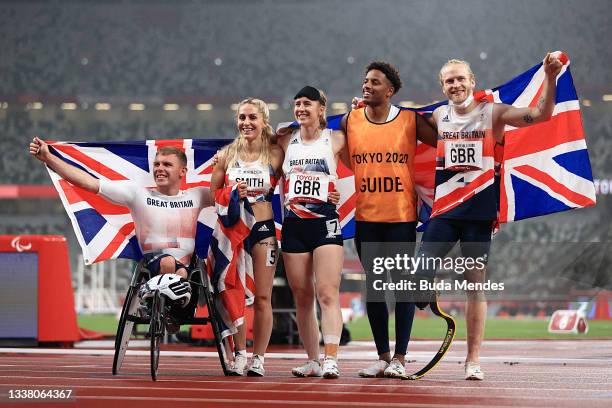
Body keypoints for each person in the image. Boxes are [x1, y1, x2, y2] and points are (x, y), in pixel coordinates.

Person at [418, 53, 563, 380]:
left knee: (475, 288)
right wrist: (363, 106)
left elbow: (540, 115)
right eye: (449, 80)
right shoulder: (439, 115)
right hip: (445, 211)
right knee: (420, 267)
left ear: (472, 81)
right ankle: (423, 292)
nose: (455, 84)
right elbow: (398, 120)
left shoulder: (492, 113)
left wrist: (550, 78)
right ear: (442, 87)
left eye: (460, 78)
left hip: (478, 215)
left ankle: (472, 360)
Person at [29, 139, 241, 332]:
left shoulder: (197, 195)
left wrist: (223, 163)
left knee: (183, 274)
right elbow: (88, 182)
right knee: (169, 263)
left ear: (182, 171)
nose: (159, 169)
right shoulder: (138, 194)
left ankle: (170, 309)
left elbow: (226, 194)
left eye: (167, 165)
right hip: (154, 263)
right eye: (157, 164)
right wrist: (49, 157)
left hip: (187, 269)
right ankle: (155, 303)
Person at [342, 61, 437, 378]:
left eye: (375, 82)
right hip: (366, 218)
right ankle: (383, 357)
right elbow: (342, 158)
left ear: (390, 90)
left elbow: (448, 140)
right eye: (365, 81)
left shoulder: (409, 120)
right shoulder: (350, 121)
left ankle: (400, 357)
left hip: (400, 217)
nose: (367, 85)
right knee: (375, 288)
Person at [210, 98, 283, 377]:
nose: (246, 123)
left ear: (264, 121)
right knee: (234, 293)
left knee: (264, 297)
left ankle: (259, 358)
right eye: (242, 117)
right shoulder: (226, 154)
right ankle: (240, 353)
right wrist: (230, 195)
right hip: (234, 232)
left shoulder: (276, 153)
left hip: (264, 230)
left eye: (253, 117)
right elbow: (212, 193)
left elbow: (302, 151)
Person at [277, 86, 344, 379]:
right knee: (302, 297)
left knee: (327, 292)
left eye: (307, 104)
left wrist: (340, 192)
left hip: (325, 222)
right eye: (297, 104)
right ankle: (313, 360)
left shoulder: (336, 138)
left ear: (321, 109)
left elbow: (362, 160)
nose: (301, 108)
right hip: (293, 225)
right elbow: (250, 146)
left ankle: (331, 358)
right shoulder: (284, 140)